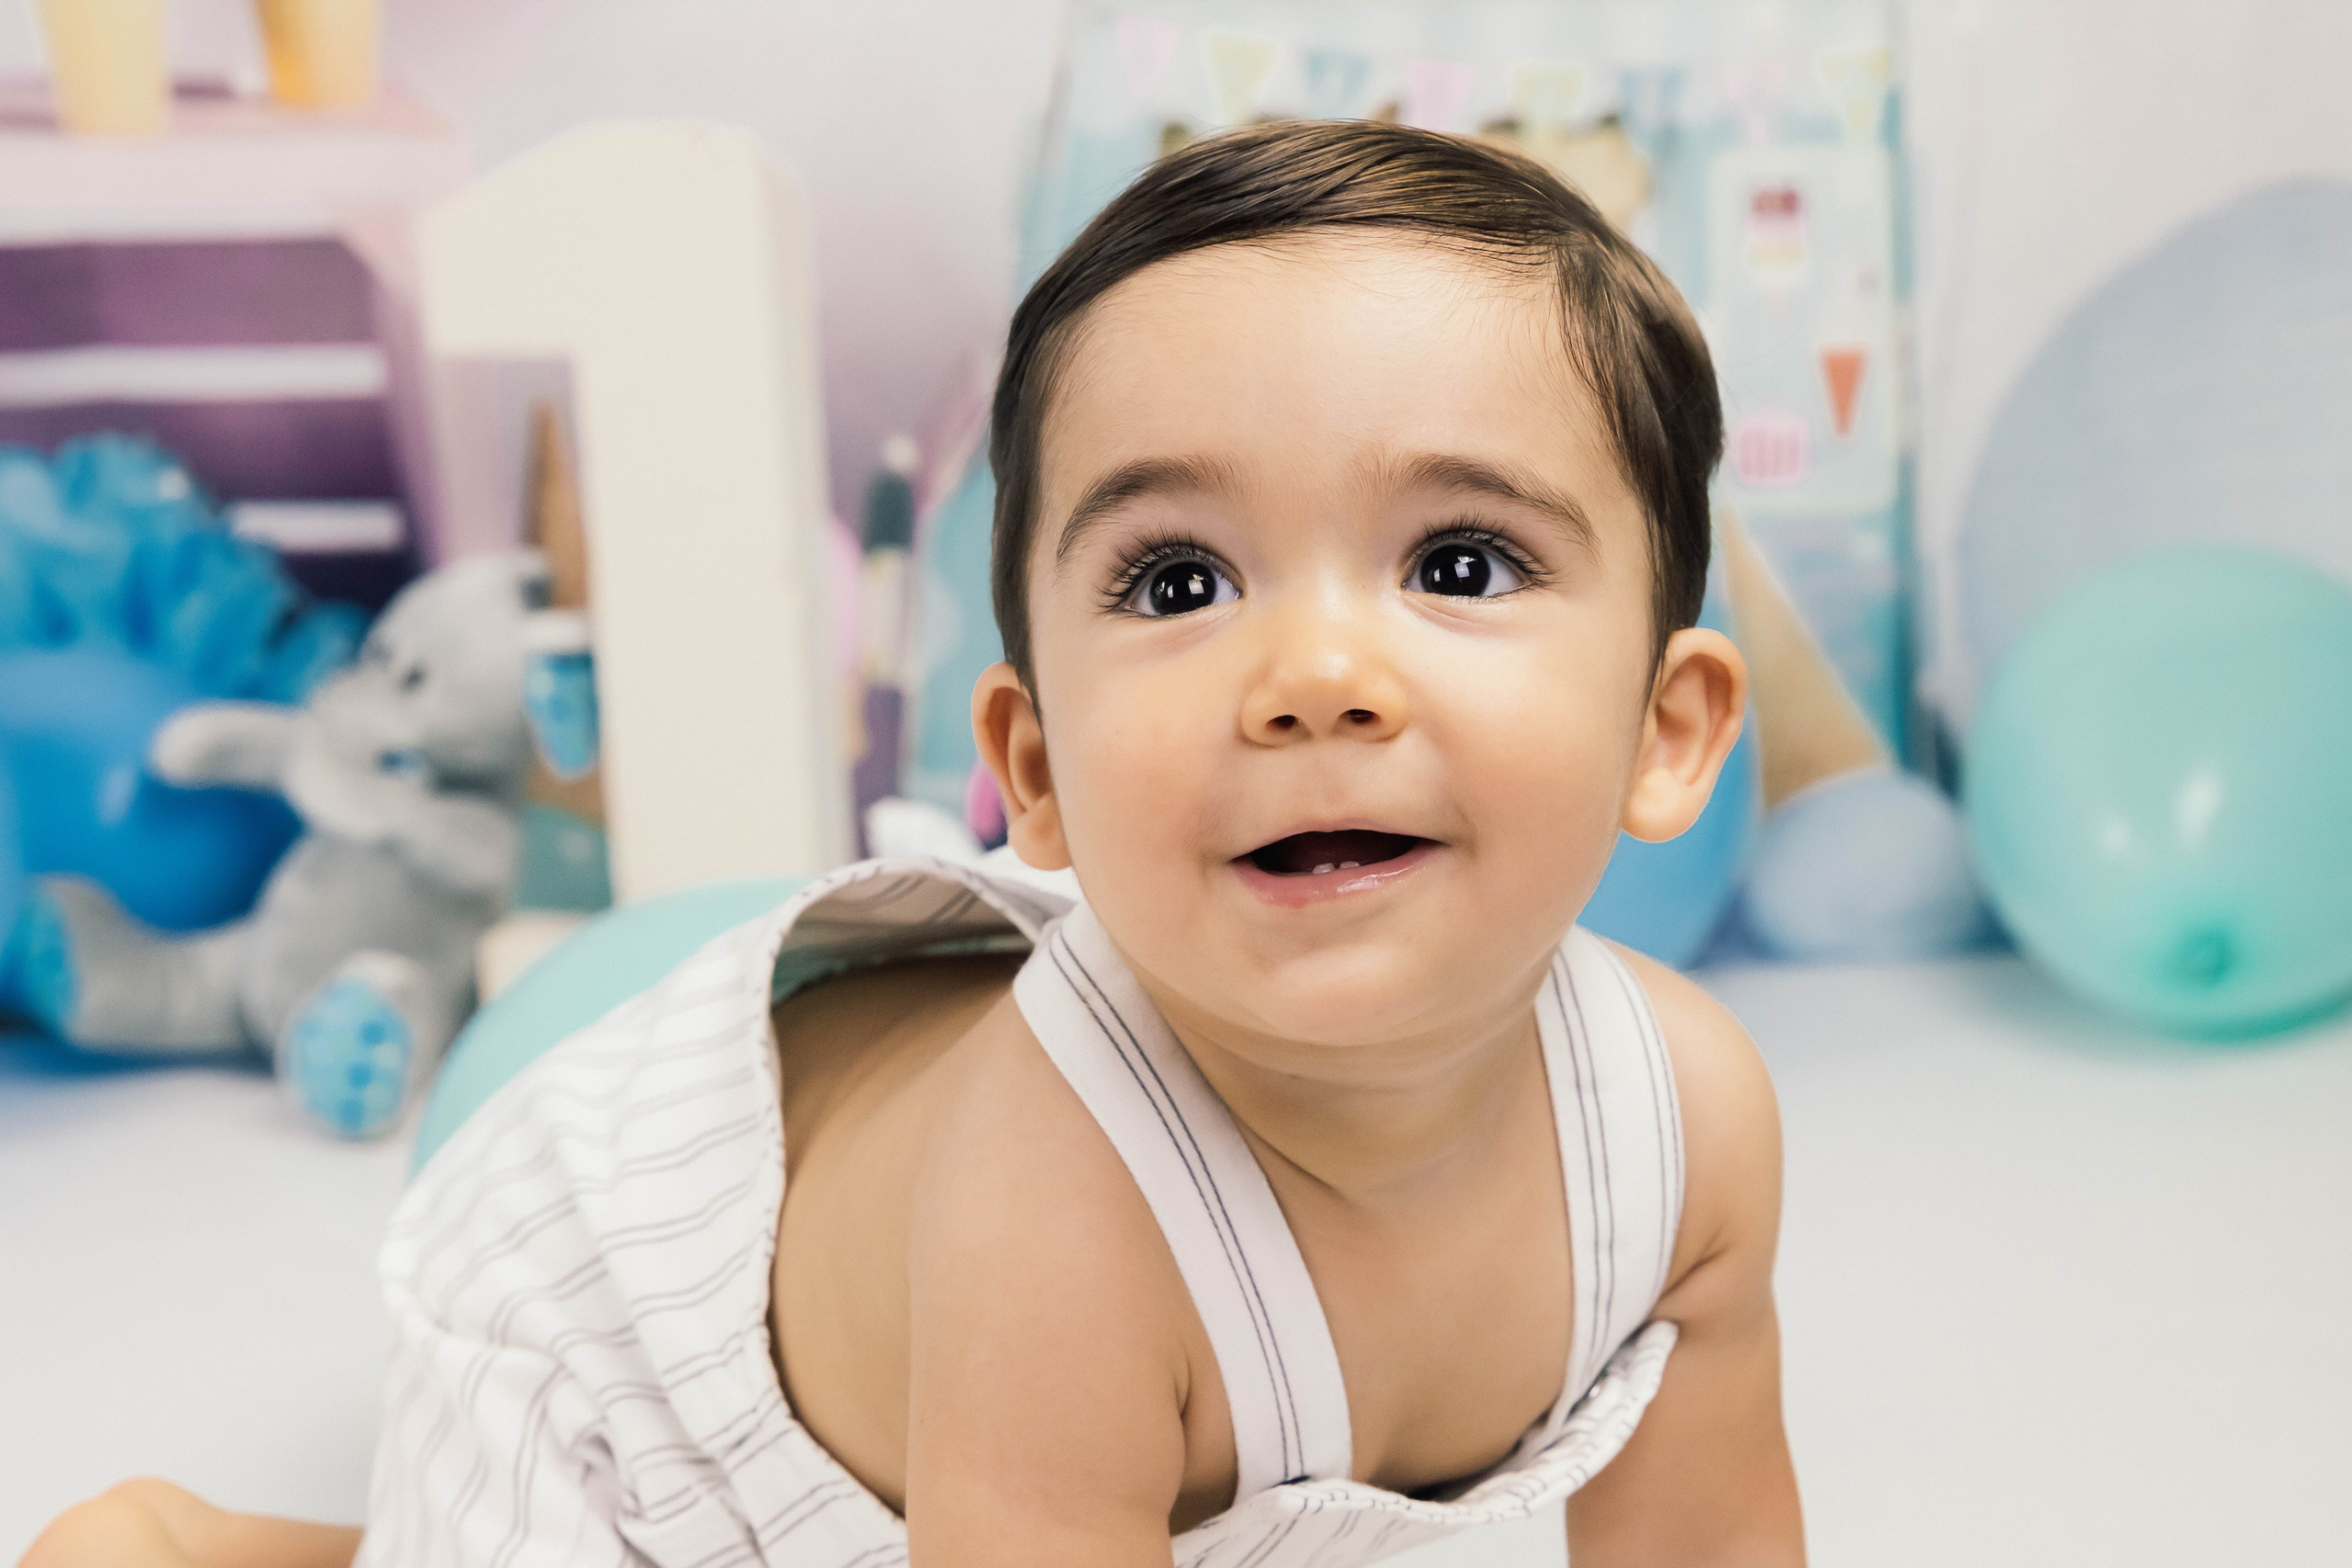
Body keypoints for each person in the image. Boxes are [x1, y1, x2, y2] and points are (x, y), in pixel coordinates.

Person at [25, 118, 1799, 1568]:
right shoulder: (1069, 1219)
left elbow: (1710, 1538)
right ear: (1032, 765)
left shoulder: (1683, 1124)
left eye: (1460, 565)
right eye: (1179, 580)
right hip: (635, 1326)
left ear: (1669, 730)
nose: (1314, 681)